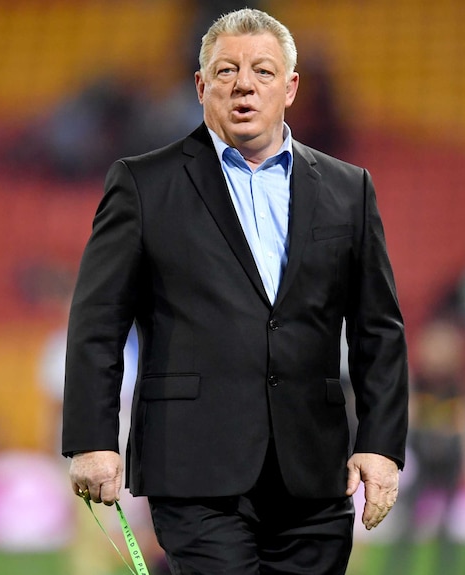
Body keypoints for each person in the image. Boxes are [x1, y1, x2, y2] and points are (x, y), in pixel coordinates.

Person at [62, 8, 408, 574]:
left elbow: (378, 330)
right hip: (194, 472)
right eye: (226, 71)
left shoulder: (350, 189)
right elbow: (98, 321)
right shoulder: (144, 185)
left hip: (315, 475)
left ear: (291, 87)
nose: (243, 84)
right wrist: (92, 439)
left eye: (263, 71)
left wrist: (381, 444)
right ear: (201, 86)